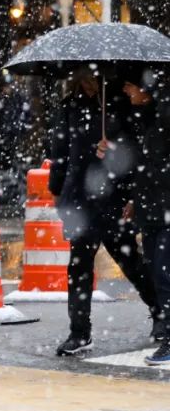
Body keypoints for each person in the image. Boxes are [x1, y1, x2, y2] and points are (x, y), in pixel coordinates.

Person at [48, 67, 157, 357]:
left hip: (112, 195)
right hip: (81, 197)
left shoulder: (120, 103)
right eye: (84, 78)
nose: (89, 84)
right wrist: (57, 189)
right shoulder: (70, 106)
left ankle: (160, 313)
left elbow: (138, 146)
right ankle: (79, 332)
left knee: (129, 259)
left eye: (94, 78)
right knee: (79, 266)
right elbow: (60, 150)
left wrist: (114, 149)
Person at [119, 69, 169, 364]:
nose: (126, 91)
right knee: (156, 269)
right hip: (152, 208)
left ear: (146, 90)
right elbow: (146, 165)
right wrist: (136, 198)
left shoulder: (163, 118)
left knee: (164, 272)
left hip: (163, 208)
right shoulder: (148, 118)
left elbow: (155, 164)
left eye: (130, 86)